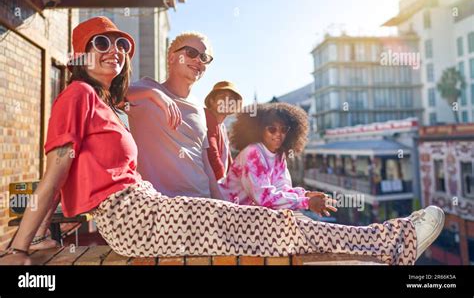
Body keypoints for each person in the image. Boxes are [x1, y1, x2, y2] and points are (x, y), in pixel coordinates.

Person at [0, 17, 444, 266]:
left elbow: (69, 172)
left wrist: (37, 237)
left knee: (271, 234)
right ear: (79, 54)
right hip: (135, 216)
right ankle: (394, 238)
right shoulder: (79, 94)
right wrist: (20, 248)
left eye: (121, 44)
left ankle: (384, 243)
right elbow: (56, 168)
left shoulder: (104, 103)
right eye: (101, 42)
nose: (114, 49)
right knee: (271, 229)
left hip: (150, 209)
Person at [125, 32, 221, 198]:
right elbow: (110, 95)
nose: (199, 60)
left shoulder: (199, 108)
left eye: (204, 57)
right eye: (191, 52)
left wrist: (222, 204)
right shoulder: (145, 91)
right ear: (171, 58)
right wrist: (155, 94)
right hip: (162, 209)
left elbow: (205, 164)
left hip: (201, 205)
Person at [219, 103, 335, 215]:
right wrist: (306, 202)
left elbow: (282, 189)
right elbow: (264, 198)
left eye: (284, 129)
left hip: (246, 215)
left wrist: (306, 194)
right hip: (226, 213)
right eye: (272, 129)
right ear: (260, 130)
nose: (278, 134)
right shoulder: (253, 153)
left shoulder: (279, 155)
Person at [204, 81, 242, 181]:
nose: (227, 101)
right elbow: (212, 154)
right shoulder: (207, 118)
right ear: (212, 101)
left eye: (232, 99)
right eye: (223, 96)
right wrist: (223, 183)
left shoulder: (222, 127)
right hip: (209, 186)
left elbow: (228, 159)